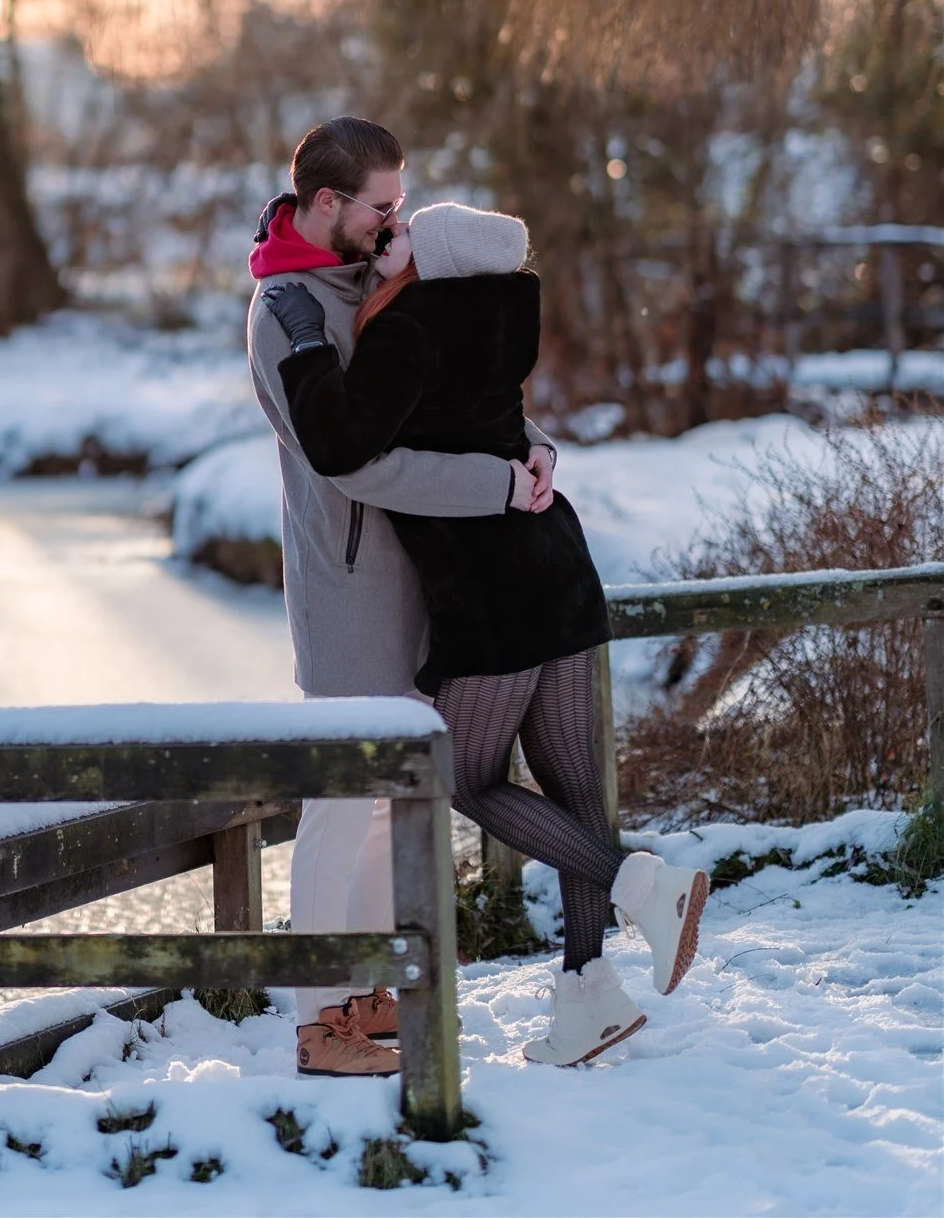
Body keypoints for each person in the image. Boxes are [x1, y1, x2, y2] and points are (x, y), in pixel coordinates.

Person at [262, 199, 709, 1068]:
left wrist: (312, 345)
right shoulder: (501, 315)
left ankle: (641, 884)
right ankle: (588, 999)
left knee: (463, 779)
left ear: (428, 262)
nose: (386, 240)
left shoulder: (412, 328)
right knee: (570, 792)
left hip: (493, 596)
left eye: (402, 234)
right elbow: (488, 420)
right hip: (561, 573)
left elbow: (344, 446)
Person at [247, 117, 559, 1078]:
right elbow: (360, 465)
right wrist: (494, 488)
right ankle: (320, 1021)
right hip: (352, 598)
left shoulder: (381, 275)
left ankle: (372, 1002)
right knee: (340, 809)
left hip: (433, 585)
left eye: (400, 202)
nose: (397, 220)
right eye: (381, 205)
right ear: (326, 201)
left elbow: (448, 380)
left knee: (391, 807)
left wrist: (527, 444)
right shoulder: (285, 311)